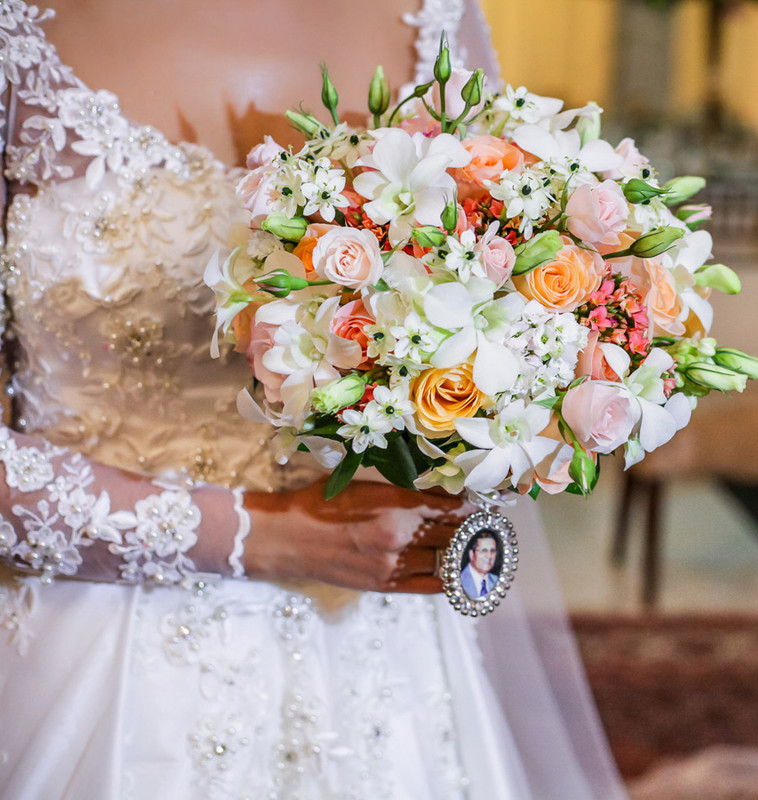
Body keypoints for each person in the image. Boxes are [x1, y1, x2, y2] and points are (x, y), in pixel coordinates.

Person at [0, 1, 627, 797]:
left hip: (383, 653)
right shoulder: (20, 30)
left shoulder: (434, 17)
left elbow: (497, 287)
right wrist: (254, 536)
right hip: (106, 653)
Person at [461, 531, 500, 599]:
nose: (489, 556)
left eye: (492, 551)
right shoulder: (460, 580)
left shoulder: (497, 581)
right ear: (471, 554)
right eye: (484, 551)